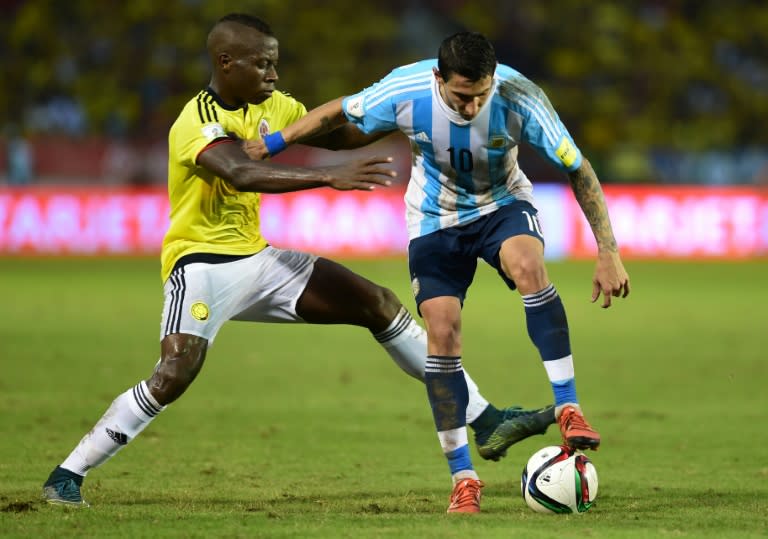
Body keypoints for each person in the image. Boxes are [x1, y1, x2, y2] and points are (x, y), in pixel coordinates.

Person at [41, 15, 554, 508]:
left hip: (258, 260)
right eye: (263, 64)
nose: (274, 74)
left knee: (378, 305)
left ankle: (484, 419)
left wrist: (409, 119)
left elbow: (337, 133)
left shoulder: (278, 106)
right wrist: (328, 177)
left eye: (275, 63)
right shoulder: (196, 121)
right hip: (199, 265)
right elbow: (240, 172)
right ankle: (68, 474)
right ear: (226, 62)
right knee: (176, 372)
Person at [247, 31, 631, 513]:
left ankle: (569, 407)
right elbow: (340, 111)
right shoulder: (406, 88)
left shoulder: (519, 95)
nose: (472, 108)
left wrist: (608, 250)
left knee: (528, 265)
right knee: (442, 334)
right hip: (433, 221)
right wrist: (275, 143)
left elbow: (578, 167)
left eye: (480, 95)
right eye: (461, 97)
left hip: (502, 205)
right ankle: (463, 478)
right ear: (438, 78)